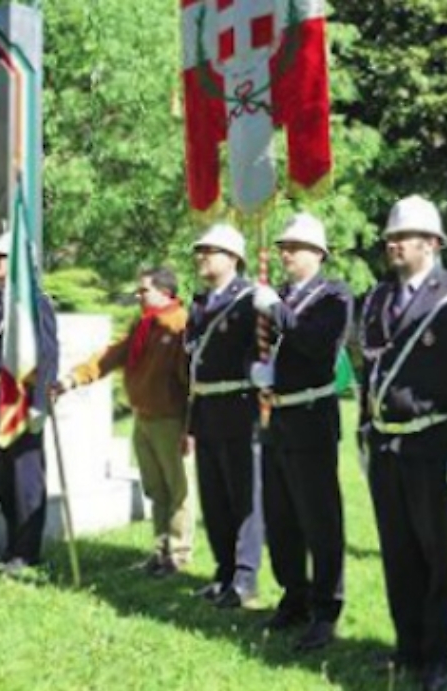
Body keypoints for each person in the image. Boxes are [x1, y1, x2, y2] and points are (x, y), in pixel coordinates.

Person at [359, 195, 447, 691]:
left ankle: (441, 655)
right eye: (391, 238)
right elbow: (370, 371)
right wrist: (363, 430)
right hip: (388, 445)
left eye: (404, 237)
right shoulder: (377, 298)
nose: (393, 245)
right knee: (398, 552)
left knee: (441, 556)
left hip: (437, 443)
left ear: (433, 243)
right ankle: (409, 646)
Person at [250, 213, 353, 651]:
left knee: (319, 517)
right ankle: (294, 594)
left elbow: (317, 344)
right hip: (276, 416)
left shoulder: (334, 296)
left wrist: (275, 308)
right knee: (281, 515)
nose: (286, 253)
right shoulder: (280, 295)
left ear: (318, 253)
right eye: (283, 246)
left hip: (312, 414)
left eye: (294, 247)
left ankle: (326, 608)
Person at [56, 267, 192, 576]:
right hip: (143, 418)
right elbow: (113, 355)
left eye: (143, 290)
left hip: (169, 420)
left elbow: (190, 382)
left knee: (177, 491)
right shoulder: (143, 325)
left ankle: (178, 555)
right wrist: (73, 378)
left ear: (164, 292)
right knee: (156, 491)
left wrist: (189, 427)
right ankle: (160, 552)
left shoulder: (180, 325)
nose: (137, 295)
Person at [185, 222, 262, 608]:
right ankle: (224, 570)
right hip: (206, 409)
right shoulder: (199, 303)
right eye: (200, 250)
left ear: (233, 258)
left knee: (243, 495)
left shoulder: (250, 299)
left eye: (210, 250)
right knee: (213, 495)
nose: (201, 256)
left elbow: (263, 351)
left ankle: (246, 578)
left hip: (239, 406)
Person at [0, 231, 58, 576]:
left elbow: (47, 353)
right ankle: (13, 543)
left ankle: (27, 551)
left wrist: (40, 402)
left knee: (26, 478)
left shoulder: (34, 302)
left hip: (23, 398)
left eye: (1, 257)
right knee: (3, 475)